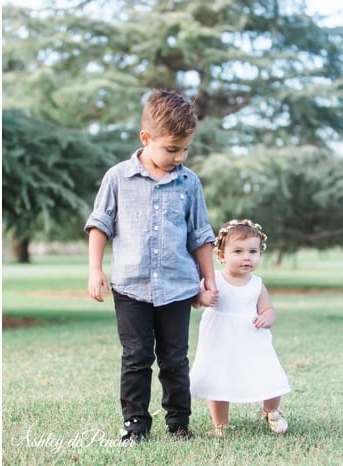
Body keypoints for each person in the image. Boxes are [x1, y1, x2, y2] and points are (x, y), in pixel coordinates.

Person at [84, 89, 218, 444]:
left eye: (186, 149)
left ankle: (179, 423)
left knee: (175, 358)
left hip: (177, 286)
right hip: (130, 286)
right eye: (172, 149)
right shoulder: (117, 177)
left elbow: (200, 236)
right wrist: (95, 270)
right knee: (136, 357)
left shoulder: (189, 183)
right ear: (146, 138)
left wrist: (209, 281)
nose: (179, 157)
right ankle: (135, 425)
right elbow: (100, 225)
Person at [190, 219, 290, 438]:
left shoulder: (257, 283)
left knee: (270, 374)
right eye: (238, 251)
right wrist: (204, 297)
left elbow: (268, 309)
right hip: (220, 338)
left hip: (252, 339)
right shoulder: (214, 279)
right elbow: (195, 300)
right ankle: (221, 424)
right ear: (221, 255)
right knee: (219, 379)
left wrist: (267, 318)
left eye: (253, 251)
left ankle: (271, 410)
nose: (247, 257)